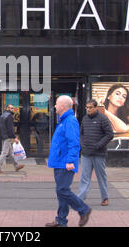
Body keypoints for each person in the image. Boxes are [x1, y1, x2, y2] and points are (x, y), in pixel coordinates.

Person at [45, 95, 92, 227]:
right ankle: (61, 220)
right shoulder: (63, 121)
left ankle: (84, 210)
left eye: (56, 104)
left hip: (65, 163)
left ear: (63, 106)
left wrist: (71, 160)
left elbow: (74, 143)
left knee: (62, 190)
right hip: (60, 162)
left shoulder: (70, 121)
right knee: (62, 192)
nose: (54, 106)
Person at [78, 99, 114, 206]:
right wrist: (82, 145)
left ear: (95, 107)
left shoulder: (103, 119)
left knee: (101, 176)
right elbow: (82, 134)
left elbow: (110, 134)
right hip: (86, 153)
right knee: (84, 177)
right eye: (87, 107)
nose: (88, 109)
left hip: (99, 154)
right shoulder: (84, 119)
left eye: (90, 107)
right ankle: (81, 198)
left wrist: (99, 145)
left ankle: (105, 197)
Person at [0, 104, 24, 174]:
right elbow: (10, 128)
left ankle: (16, 166)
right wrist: (14, 137)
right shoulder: (9, 116)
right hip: (7, 137)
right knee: (4, 153)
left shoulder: (2, 115)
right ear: (7, 108)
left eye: (13, 108)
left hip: (4, 136)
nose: (12, 109)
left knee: (11, 153)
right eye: (10, 108)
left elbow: (1, 127)